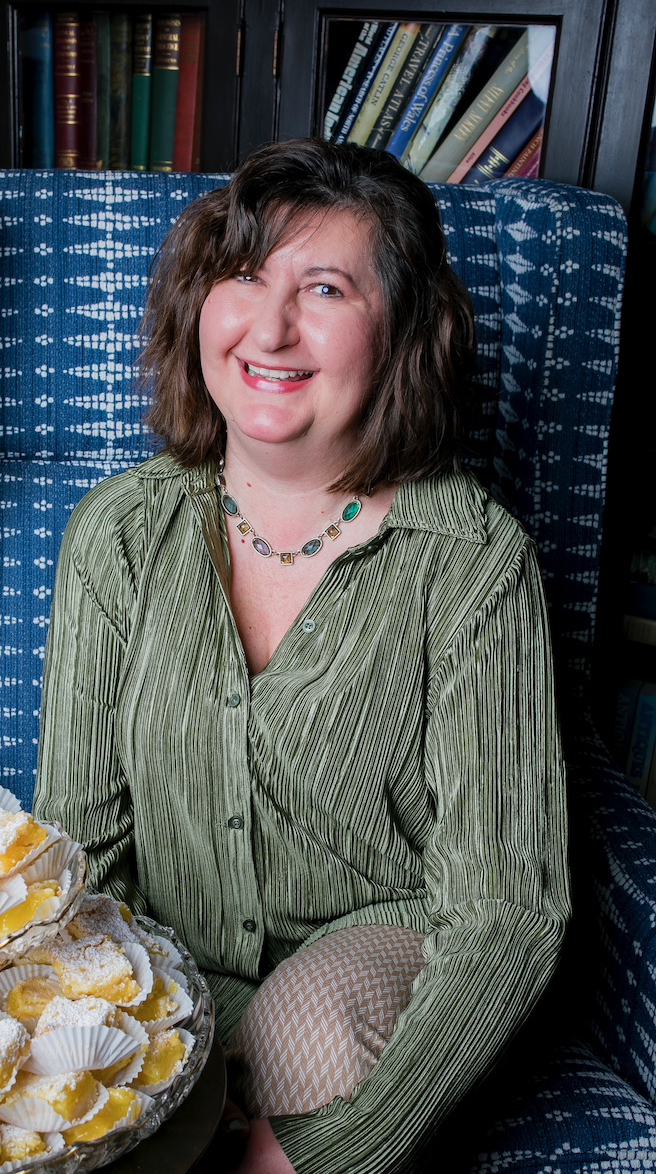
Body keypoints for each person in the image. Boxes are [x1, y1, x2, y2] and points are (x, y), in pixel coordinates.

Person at [33, 138, 569, 1174]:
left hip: (385, 959)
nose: (268, 327)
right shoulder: (119, 533)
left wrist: (311, 1150)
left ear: (404, 332)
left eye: (323, 287)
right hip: (169, 967)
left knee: (300, 1038)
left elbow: (506, 911)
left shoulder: (475, 564)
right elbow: (77, 849)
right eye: (243, 277)